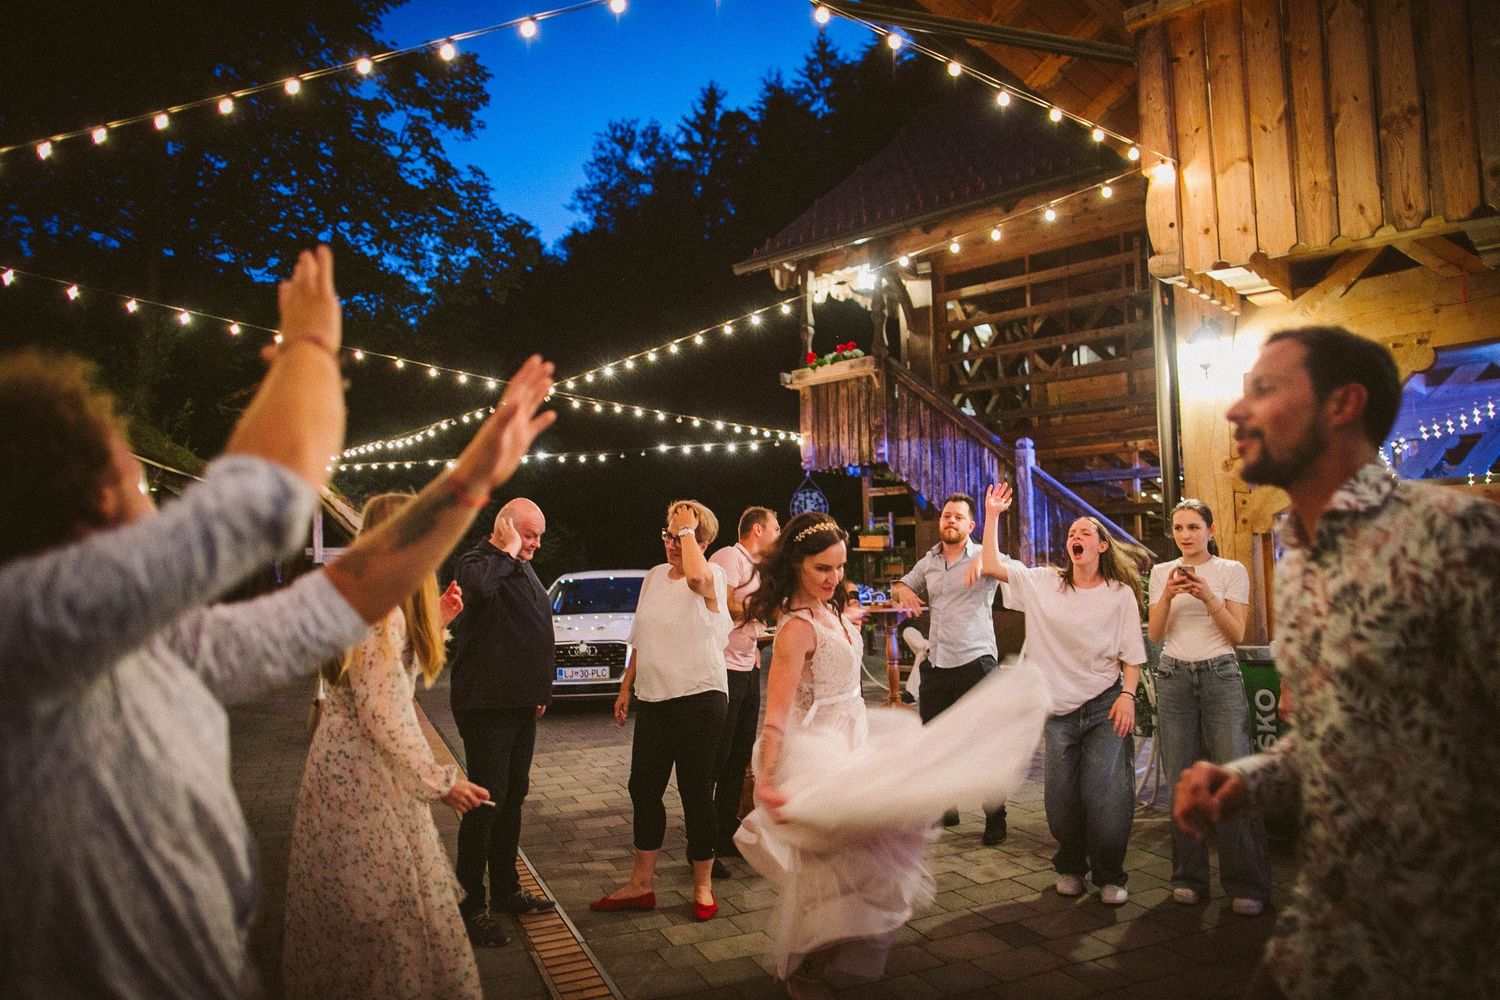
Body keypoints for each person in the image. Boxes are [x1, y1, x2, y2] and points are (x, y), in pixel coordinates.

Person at [0, 246, 558, 999]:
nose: (150, 498)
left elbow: (336, 600)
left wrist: (470, 481)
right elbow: (260, 500)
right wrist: (311, 346)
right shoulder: (37, 623)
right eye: (132, 478)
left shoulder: (157, 643)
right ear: (95, 501)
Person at [1173, 326, 1500, 999]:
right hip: (1329, 926)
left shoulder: (1455, 536)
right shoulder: (1295, 568)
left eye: (1264, 390)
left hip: (1454, 949)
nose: (1235, 411)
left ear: (1342, 405)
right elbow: (1338, 735)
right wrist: (1248, 781)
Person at [736, 512, 1049, 1000]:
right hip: (820, 749)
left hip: (855, 736)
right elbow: (776, 715)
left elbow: (840, 650)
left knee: (865, 859)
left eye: (839, 568)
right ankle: (806, 970)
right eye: (822, 569)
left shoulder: (831, 609)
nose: (834, 578)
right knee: (829, 873)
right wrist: (766, 779)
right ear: (797, 564)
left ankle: (818, 959)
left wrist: (849, 620)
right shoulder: (796, 629)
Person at [283, 493, 487, 999]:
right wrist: (442, 782)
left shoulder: (366, 596)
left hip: (344, 772)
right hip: (368, 782)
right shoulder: (382, 611)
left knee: (355, 909)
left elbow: (384, 681)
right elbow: (386, 713)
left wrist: (434, 622)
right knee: (388, 915)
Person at [970, 484, 1148, 905]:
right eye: (1071, 533)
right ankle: (1070, 865)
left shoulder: (1119, 595)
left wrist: (1128, 695)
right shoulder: (1045, 583)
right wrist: (993, 514)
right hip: (1057, 708)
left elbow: (1132, 654)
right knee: (1061, 799)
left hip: (1105, 704)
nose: (1075, 537)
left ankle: (1110, 875)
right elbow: (991, 564)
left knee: (1105, 795)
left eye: (1084, 532)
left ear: (1102, 545)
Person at [592, 500, 732, 920]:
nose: (673, 543)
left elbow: (696, 578)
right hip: (654, 700)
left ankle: (703, 887)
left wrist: (688, 532)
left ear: (703, 541)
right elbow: (641, 636)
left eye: (684, 535)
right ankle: (641, 884)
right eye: (669, 534)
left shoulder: (713, 574)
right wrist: (625, 686)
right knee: (644, 790)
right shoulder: (653, 577)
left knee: (694, 794)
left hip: (700, 697)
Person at [1147, 498, 1269, 916]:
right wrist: (1166, 594)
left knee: (1231, 776)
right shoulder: (1161, 572)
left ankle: (1247, 883)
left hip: (1219, 674)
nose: (1185, 535)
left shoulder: (1231, 571)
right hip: (1174, 675)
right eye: (1179, 528)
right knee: (1182, 778)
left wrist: (1206, 595)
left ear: (1210, 531)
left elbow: (1236, 633)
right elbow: (1157, 632)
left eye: (1193, 527)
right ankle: (1188, 877)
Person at [448, 498, 558, 947]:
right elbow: (475, 592)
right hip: (485, 704)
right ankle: (470, 905)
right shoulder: (476, 561)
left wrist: (539, 692)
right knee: (486, 803)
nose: (535, 544)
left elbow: (532, 626)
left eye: (538, 537)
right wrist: (508, 551)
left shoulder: (520, 565)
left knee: (512, 798)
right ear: (507, 528)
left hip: (518, 704)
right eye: (529, 535)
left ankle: (507, 890)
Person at [891, 493, 1008, 844]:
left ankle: (995, 817)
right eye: (946, 516)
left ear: (971, 525)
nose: (950, 521)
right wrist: (902, 593)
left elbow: (1005, 567)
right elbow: (901, 585)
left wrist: (987, 555)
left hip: (976, 660)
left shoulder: (984, 556)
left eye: (958, 517)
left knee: (984, 744)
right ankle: (945, 807)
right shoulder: (929, 562)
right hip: (937, 661)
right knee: (935, 743)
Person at [708, 505, 780, 879]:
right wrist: (762, 610)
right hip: (723, 669)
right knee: (717, 759)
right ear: (756, 529)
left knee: (738, 758)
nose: (779, 533)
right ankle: (703, 844)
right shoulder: (728, 557)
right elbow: (726, 605)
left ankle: (725, 834)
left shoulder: (757, 567)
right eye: (775, 527)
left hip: (748, 667)